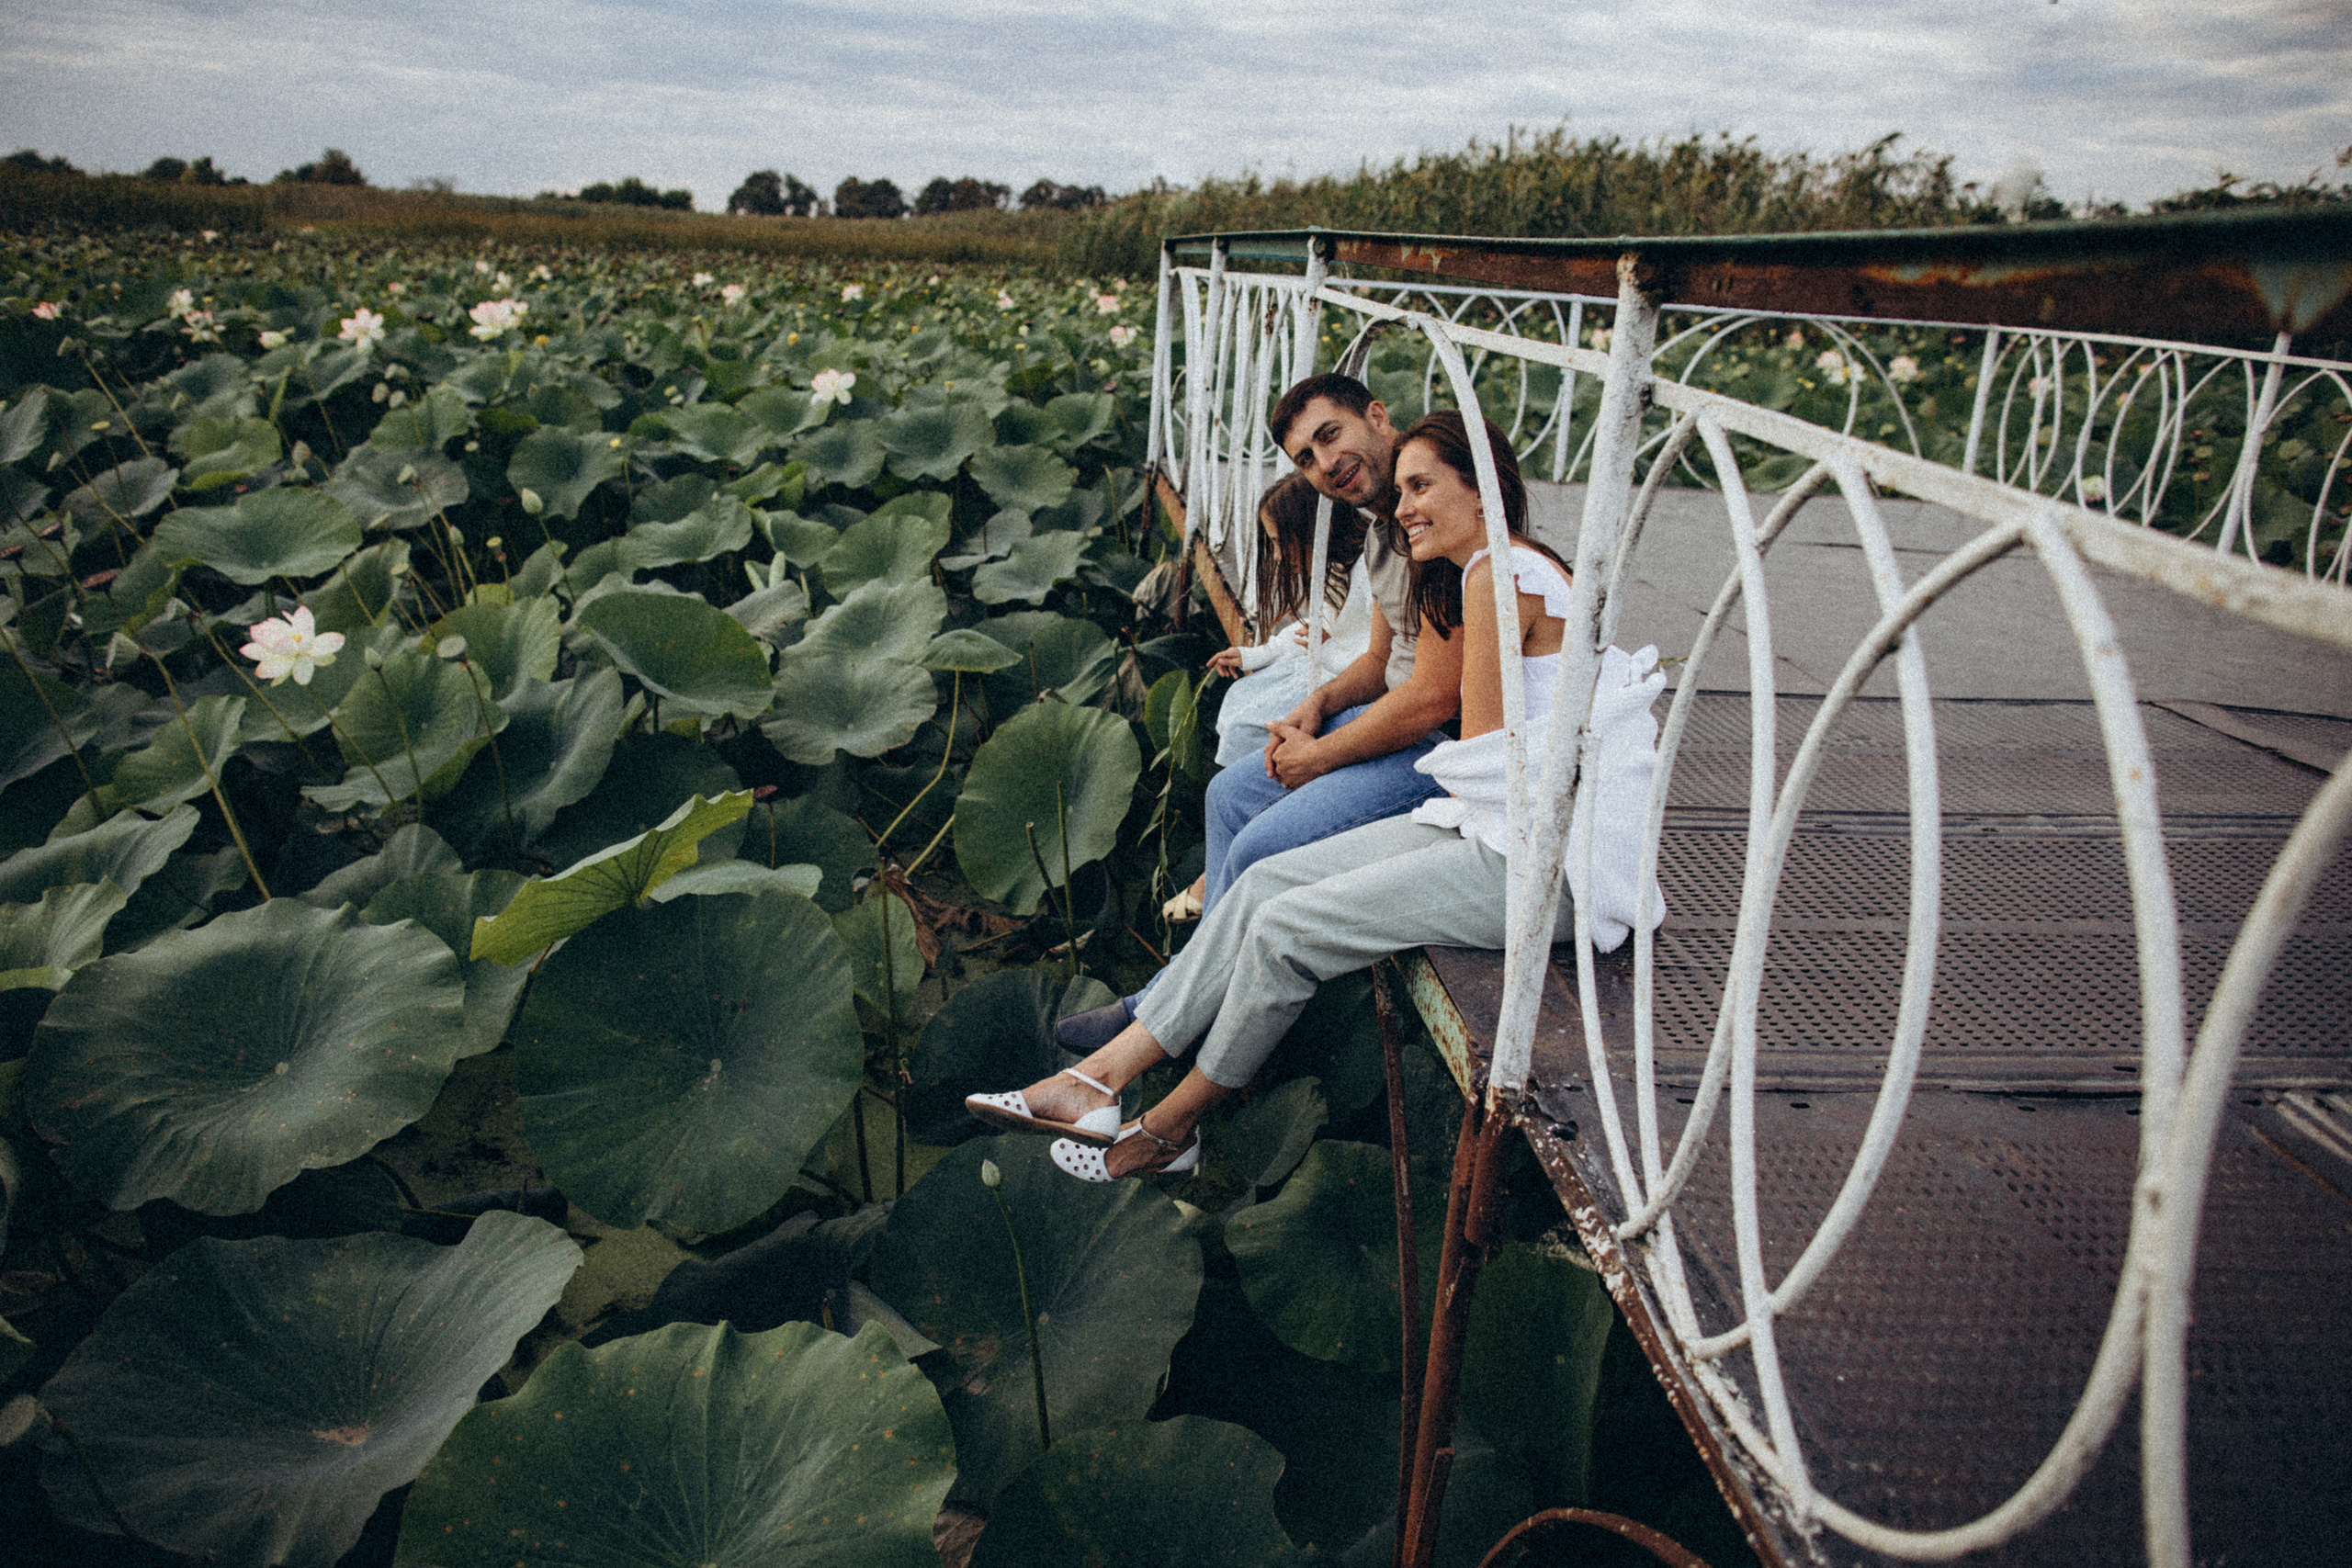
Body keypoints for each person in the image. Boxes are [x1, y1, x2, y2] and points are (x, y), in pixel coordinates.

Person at [971, 412, 1662, 1179]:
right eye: (1400, 491)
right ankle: (1096, 1077)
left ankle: (1170, 1129)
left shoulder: (1497, 577)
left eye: (1422, 485)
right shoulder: (1494, 568)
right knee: (1264, 879)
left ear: (1484, 486)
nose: (1403, 509)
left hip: (1545, 868)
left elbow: (1490, 757)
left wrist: (1337, 760)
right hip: (1507, 825)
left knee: (1288, 928)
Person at [1055, 373, 1461, 1049]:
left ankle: (1163, 1011)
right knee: (1227, 794)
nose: (1325, 464)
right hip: (1400, 719)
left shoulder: (1436, 518)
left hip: (1444, 749)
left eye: (1330, 435)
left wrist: (1322, 754)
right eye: (1306, 457)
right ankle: (1190, 984)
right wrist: (1316, 706)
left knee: (1264, 846)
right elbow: (1380, 664)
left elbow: (1433, 697)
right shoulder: (1386, 532)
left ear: (1378, 416)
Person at [1155, 472, 1373, 921]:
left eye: (1279, 542)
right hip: (1328, 665)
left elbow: (1358, 646)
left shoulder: (1371, 567)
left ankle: (1224, 869)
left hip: (1352, 683)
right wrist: (1256, 655)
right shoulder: (1333, 568)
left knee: (1261, 727)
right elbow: (1308, 629)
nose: (1275, 555)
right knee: (1242, 707)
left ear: (1312, 528)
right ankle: (1230, 851)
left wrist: (1321, 647)